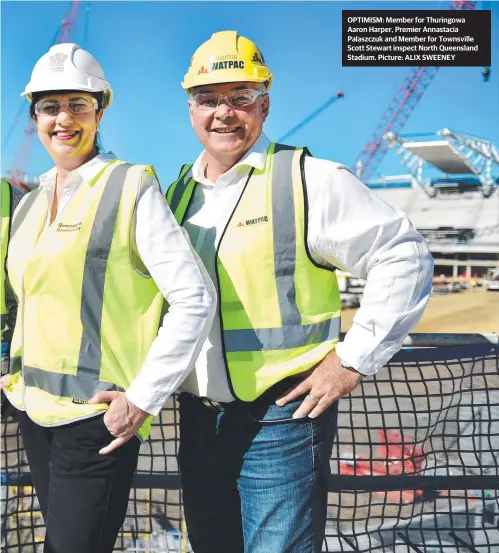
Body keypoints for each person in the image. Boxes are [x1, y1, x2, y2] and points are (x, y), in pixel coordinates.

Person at [165, 31, 435, 553]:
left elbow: (403, 254)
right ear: (191, 108)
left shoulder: (309, 179)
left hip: (281, 420)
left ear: (264, 105)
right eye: (208, 98)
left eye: (240, 97)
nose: (224, 112)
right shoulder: (175, 195)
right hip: (197, 419)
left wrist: (352, 359)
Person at [0, 42, 216, 553]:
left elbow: (193, 297)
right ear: (35, 117)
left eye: (78, 105)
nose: (64, 120)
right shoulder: (28, 204)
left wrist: (142, 399)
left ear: (100, 110)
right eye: (50, 107)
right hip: (34, 412)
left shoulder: (130, 186)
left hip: (95, 418)